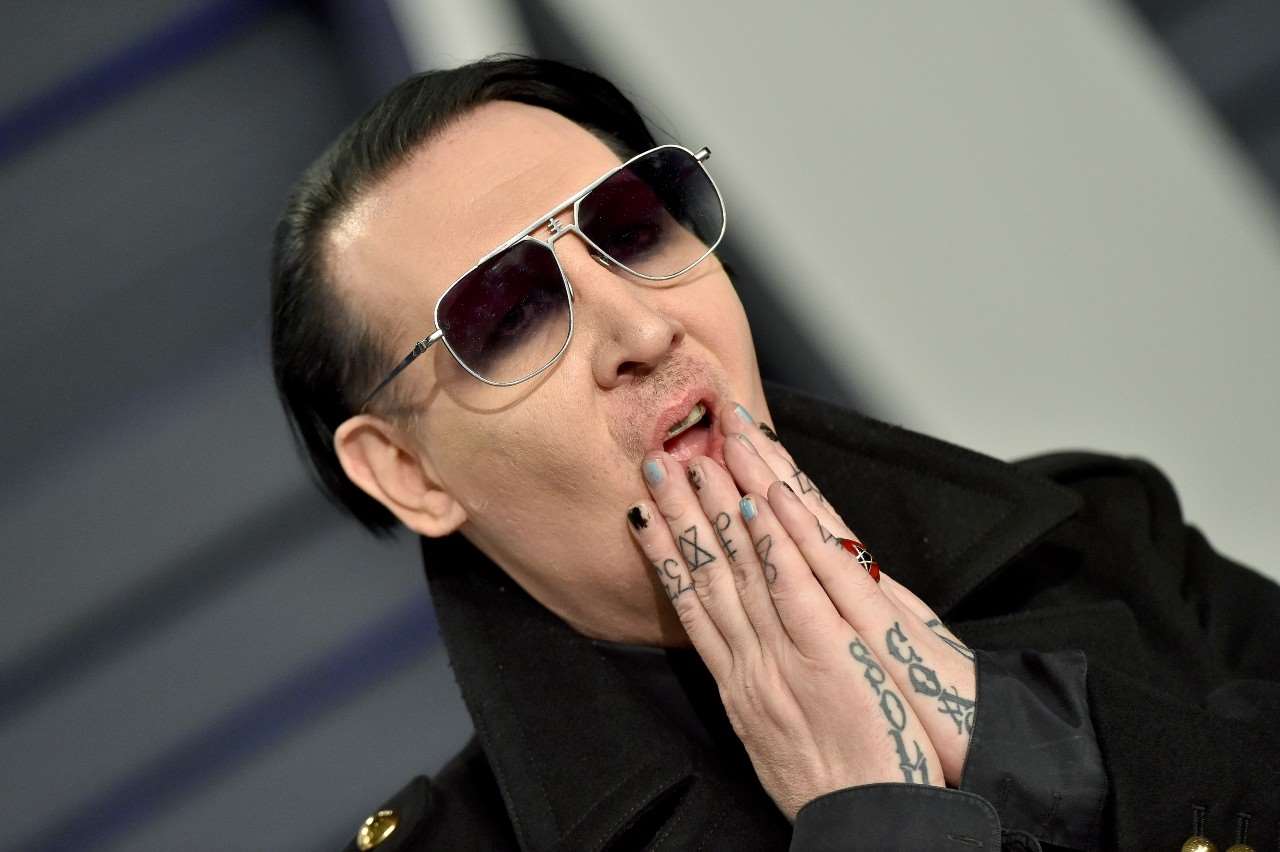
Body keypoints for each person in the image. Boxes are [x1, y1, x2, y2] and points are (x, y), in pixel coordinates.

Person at [268, 56, 1280, 852]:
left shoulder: (1103, 534)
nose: (643, 330)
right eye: (510, 316)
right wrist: (879, 826)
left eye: (634, 230)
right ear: (409, 474)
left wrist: (1019, 739)